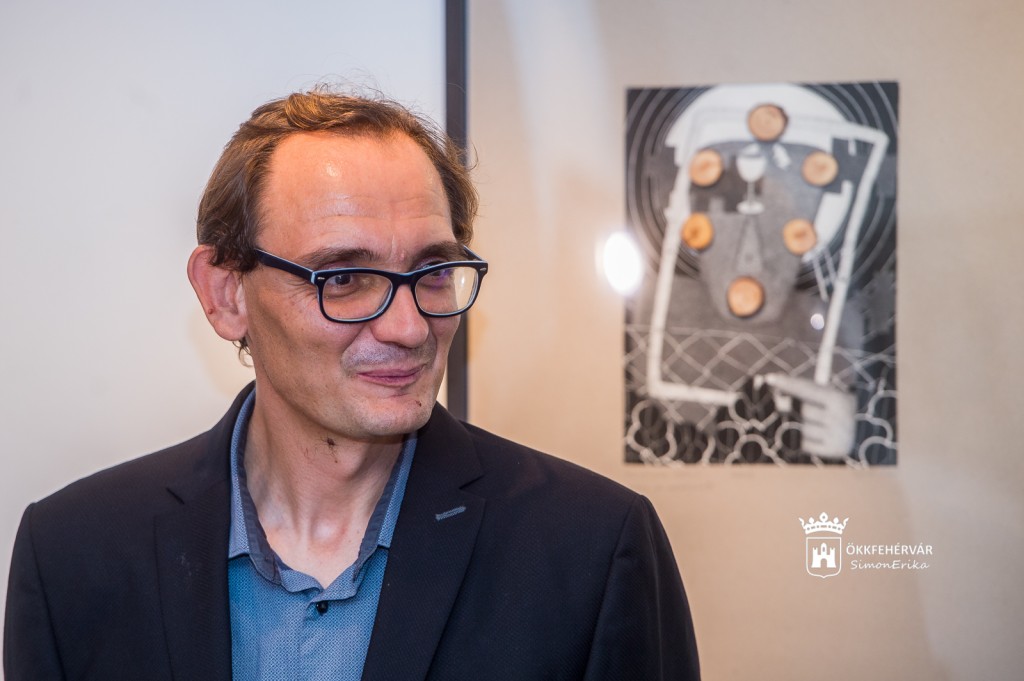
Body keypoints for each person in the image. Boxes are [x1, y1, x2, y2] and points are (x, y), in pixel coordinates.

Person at [4, 88, 700, 680]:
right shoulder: (75, 555)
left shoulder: (591, 549)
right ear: (225, 293)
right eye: (342, 277)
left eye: (433, 272)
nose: (409, 326)